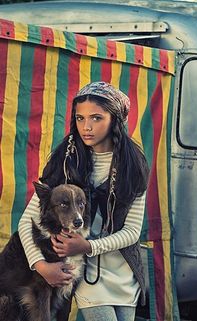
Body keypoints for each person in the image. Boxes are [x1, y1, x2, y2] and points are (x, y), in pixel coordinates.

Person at [18, 81, 149, 321]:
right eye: (80, 118)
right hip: (86, 271)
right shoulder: (65, 162)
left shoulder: (134, 165)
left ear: (115, 120)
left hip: (124, 270)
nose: (86, 127)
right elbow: (26, 221)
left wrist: (89, 246)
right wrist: (40, 265)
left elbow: (132, 231)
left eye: (96, 118)